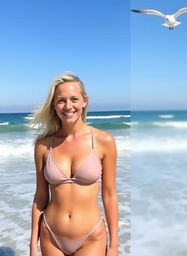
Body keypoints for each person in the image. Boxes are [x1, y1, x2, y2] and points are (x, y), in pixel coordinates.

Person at [29, 73, 119, 256]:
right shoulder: (43, 145)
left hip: (91, 237)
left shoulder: (104, 141)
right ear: (54, 105)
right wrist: (32, 245)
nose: (68, 106)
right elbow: (40, 197)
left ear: (84, 101)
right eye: (61, 101)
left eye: (74, 99)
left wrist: (114, 245)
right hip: (51, 236)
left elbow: (109, 195)